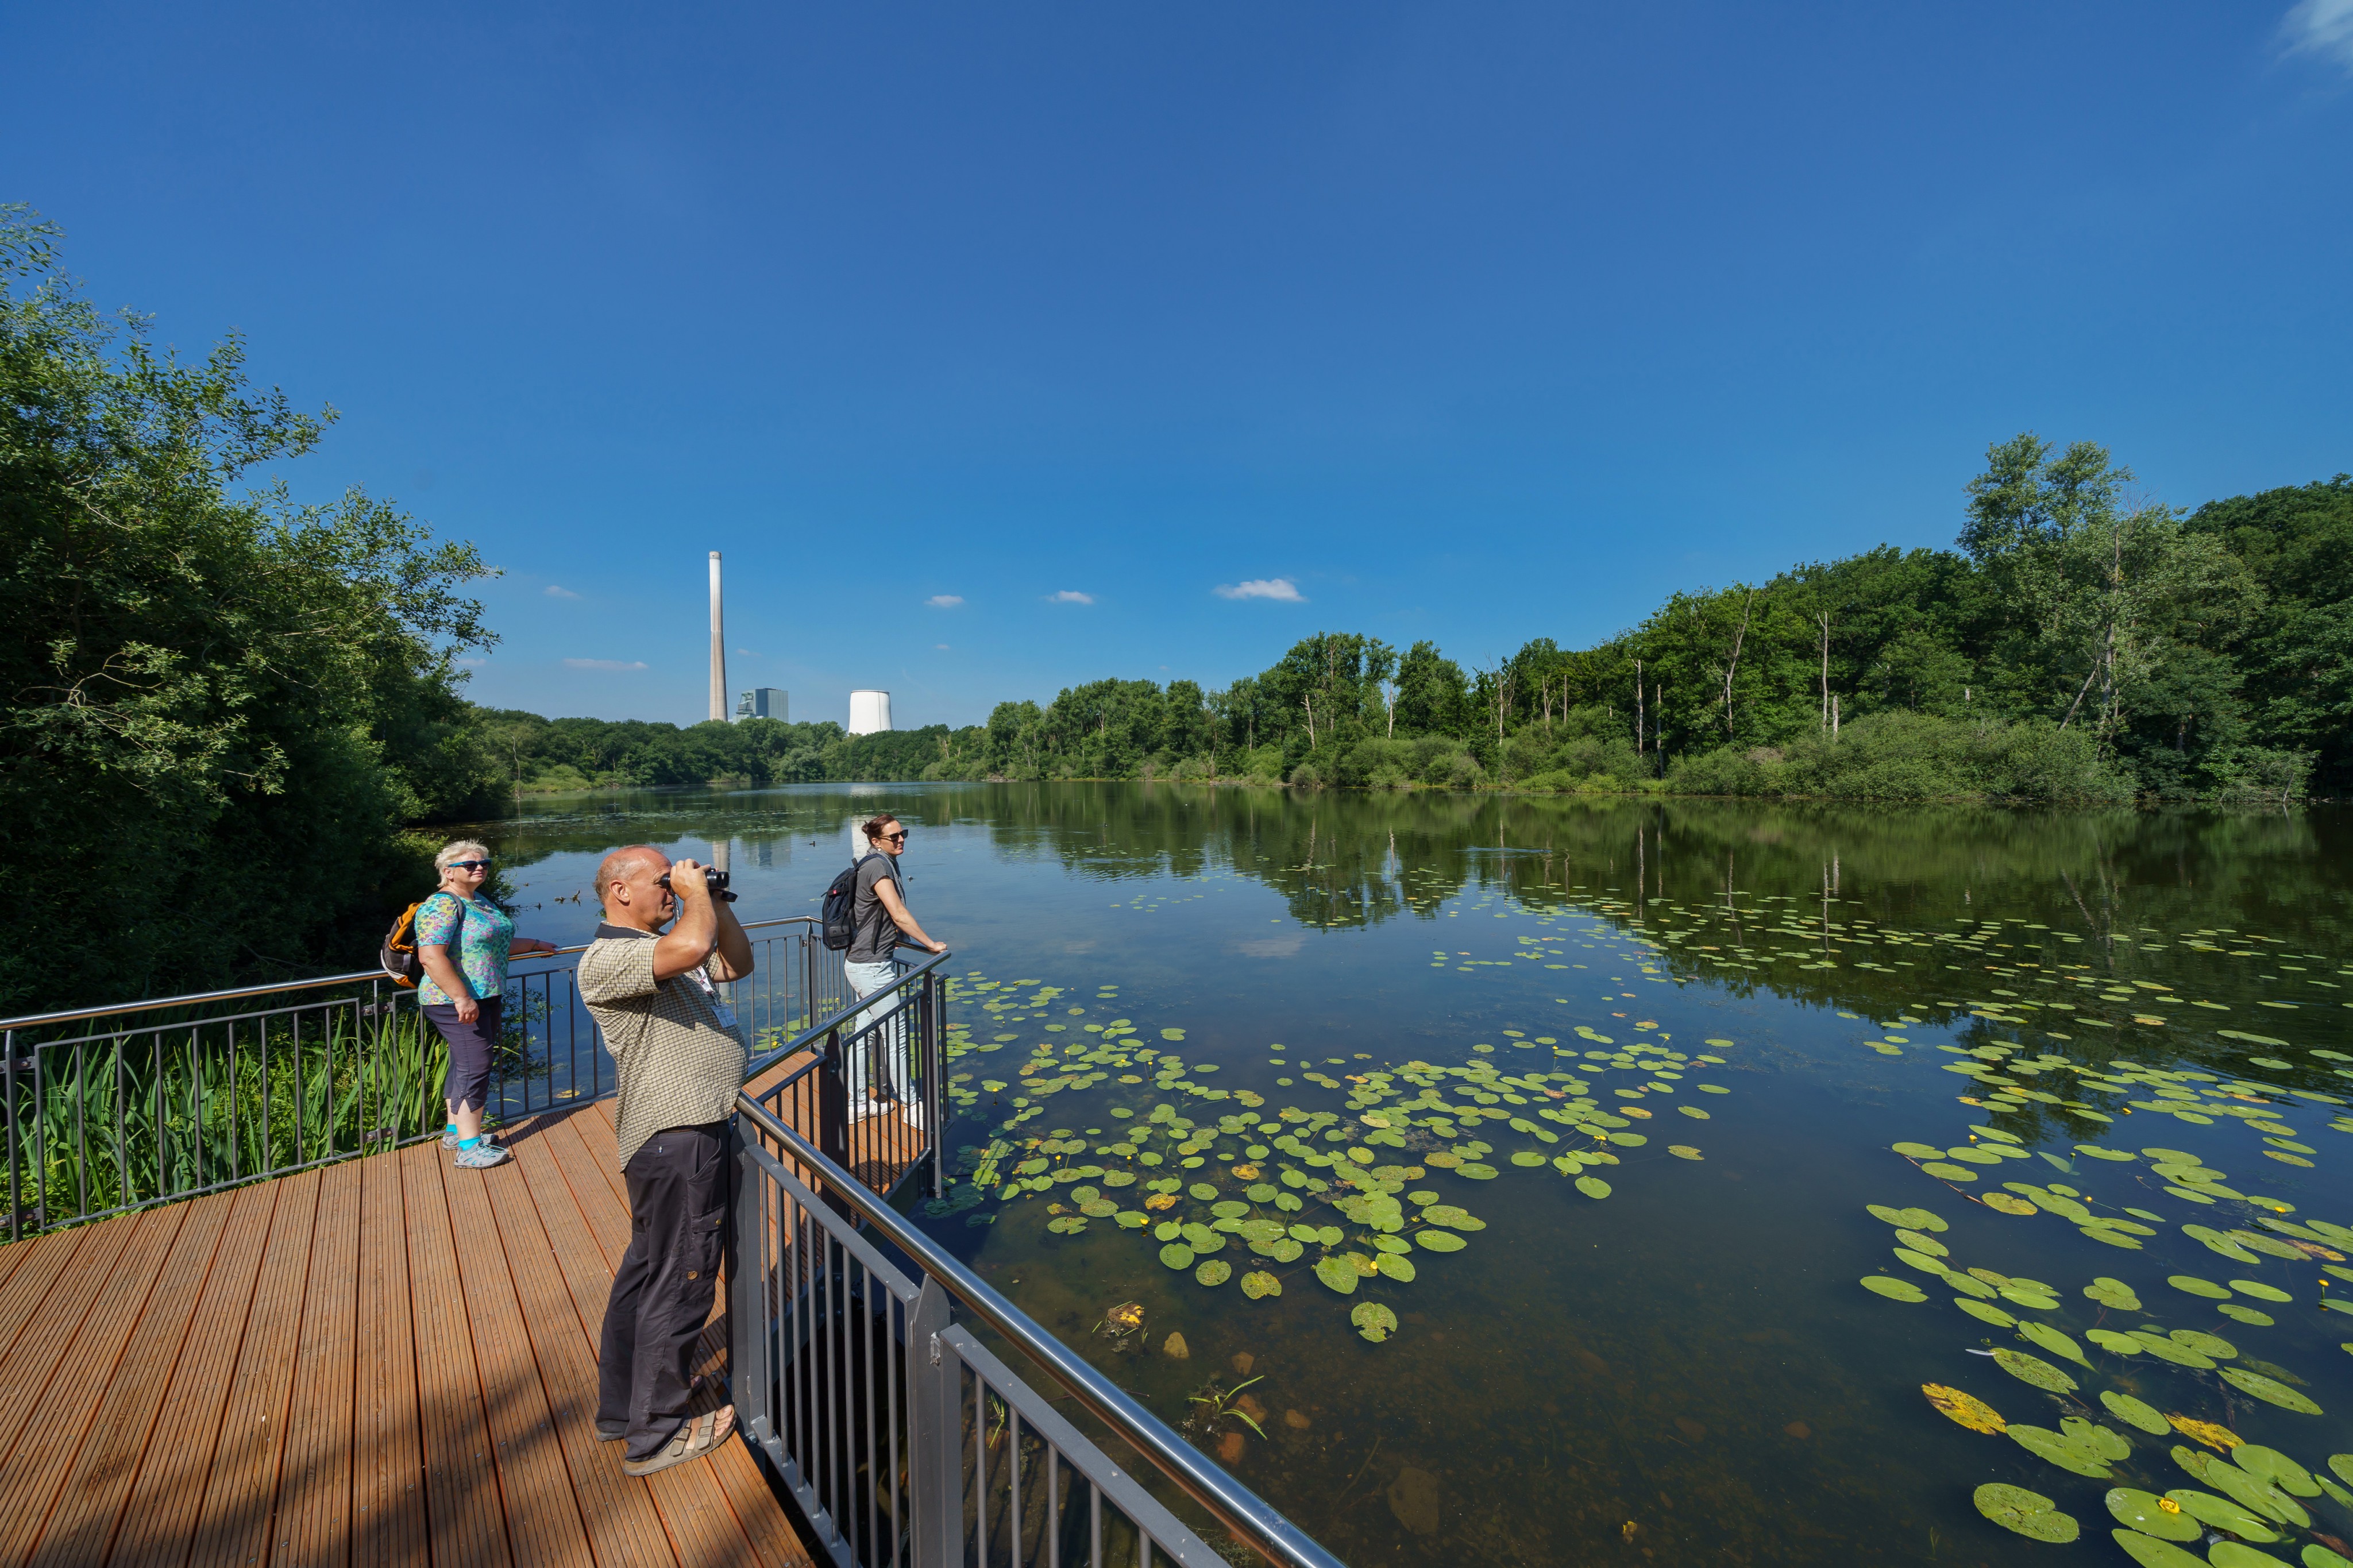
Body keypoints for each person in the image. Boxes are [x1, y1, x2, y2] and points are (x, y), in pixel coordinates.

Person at [577, 843, 753, 1477]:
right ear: (620, 891)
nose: (672, 889)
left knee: (649, 1275)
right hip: (678, 1137)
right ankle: (655, 1435)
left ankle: (622, 1411)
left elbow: (736, 961)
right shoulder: (609, 956)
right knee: (682, 1280)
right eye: (661, 881)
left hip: (680, 1136)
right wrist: (697, 899)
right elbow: (694, 948)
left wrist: (716, 897)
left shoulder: (659, 949)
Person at [414, 839, 559, 1170]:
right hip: (454, 1000)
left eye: (484, 863)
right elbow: (430, 957)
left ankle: (454, 1131)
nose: (480, 868)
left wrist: (536, 944)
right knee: (475, 1067)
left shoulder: (479, 901)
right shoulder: (441, 905)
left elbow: (494, 944)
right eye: (470, 864)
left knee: (465, 1063)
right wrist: (461, 997)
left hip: (484, 996)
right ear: (448, 872)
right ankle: (468, 1147)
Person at [843, 814, 947, 1124]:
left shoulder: (883, 860)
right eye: (894, 836)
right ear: (876, 841)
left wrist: (897, 938)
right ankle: (913, 1106)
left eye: (903, 834)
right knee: (896, 1035)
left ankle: (859, 1101)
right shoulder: (877, 865)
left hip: (864, 962)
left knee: (863, 1034)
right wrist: (929, 943)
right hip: (872, 967)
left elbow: (879, 914)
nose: (901, 840)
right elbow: (898, 912)